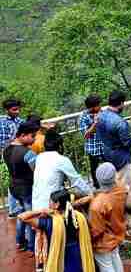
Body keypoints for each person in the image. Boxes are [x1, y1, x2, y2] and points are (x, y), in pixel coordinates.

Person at [19, 189, 96, 272]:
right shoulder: (79, 217)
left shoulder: (49, 222)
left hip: (59, 256)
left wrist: (40, 211)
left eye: (50, 201)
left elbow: (22, 217)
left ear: (57, 204)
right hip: (78, 254)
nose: (48, 204)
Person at [32, 130, 92, 211]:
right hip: (50, 207)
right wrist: (91, 194)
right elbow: (77, 181)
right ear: (60, 146)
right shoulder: (62, 160)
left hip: (36, 206)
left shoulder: (39, 158)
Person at [3, 121, 38, 252]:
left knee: (21, 214)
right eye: (32, 136)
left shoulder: (6, 149)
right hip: (26, 188)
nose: (34, 139)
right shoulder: (28, 153)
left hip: (13, 187)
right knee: (31, 217)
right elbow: (37, 171)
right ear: (23, 135)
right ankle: (32, 246)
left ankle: (19, 241)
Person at [89, 163, 127, 272]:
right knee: (116, 260)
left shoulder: (97, 204)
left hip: (103, 243)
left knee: (107, 266)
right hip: (117, 235)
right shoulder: (121, 190)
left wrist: (87, 240)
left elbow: (97, 230)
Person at [97, 91, 131, 189]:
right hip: (121, 156)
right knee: (125, 183)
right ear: (121, 103)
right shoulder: (120, 123)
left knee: (112, 181)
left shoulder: (100, 116)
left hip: (106, 151)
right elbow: (127, 142)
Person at [1, 98, 24, 217]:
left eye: (18, 109)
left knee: (19, 178)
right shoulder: (3, 122)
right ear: (7, 110)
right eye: (14, 109)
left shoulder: (19, 120)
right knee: (14, 179)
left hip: (20, 152)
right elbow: (3, 142)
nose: (17, 111)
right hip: (9, 153)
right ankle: (13, 208)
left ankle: (19, 205)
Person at [78, 95, 105, 189]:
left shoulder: (102, 112)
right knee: (94, 168)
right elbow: (86, 135)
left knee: (108, 164)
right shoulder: (83, 117)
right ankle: (97, 186)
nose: (100, 107)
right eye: (98, 105)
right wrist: (95, 123)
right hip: (93, 147)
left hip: (104, 145)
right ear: (92, 107)